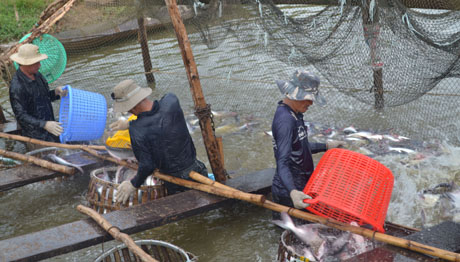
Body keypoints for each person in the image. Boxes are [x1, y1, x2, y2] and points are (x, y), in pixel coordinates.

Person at [109, 79, 208, 204]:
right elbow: (158, 117)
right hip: (196, 167)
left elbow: (147, 165)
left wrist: (133, 183)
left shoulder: (137, 130)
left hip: (175, 181)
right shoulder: (171, 101)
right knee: (205, 200)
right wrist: (129, 123)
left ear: (131, 107)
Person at [271, 70, 345, 219]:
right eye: (308, 98)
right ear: (294, 95)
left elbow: (300, 147)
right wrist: (292, 192)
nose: (311, 103)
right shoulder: (285, 120)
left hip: (303, 184)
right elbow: (282, 161)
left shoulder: (296, 114)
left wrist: (326, 146)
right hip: (288, 193)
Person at [9, 43, 66, 145]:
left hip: (51, 125)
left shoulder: (37, 75)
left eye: (39, 62)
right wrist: (44, 124)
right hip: (35, 135)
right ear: (25, 64)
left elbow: (45, 97)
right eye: (36, 63)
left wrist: (56, 92)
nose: (39, 65)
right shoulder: (17, 87)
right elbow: (21, 115)